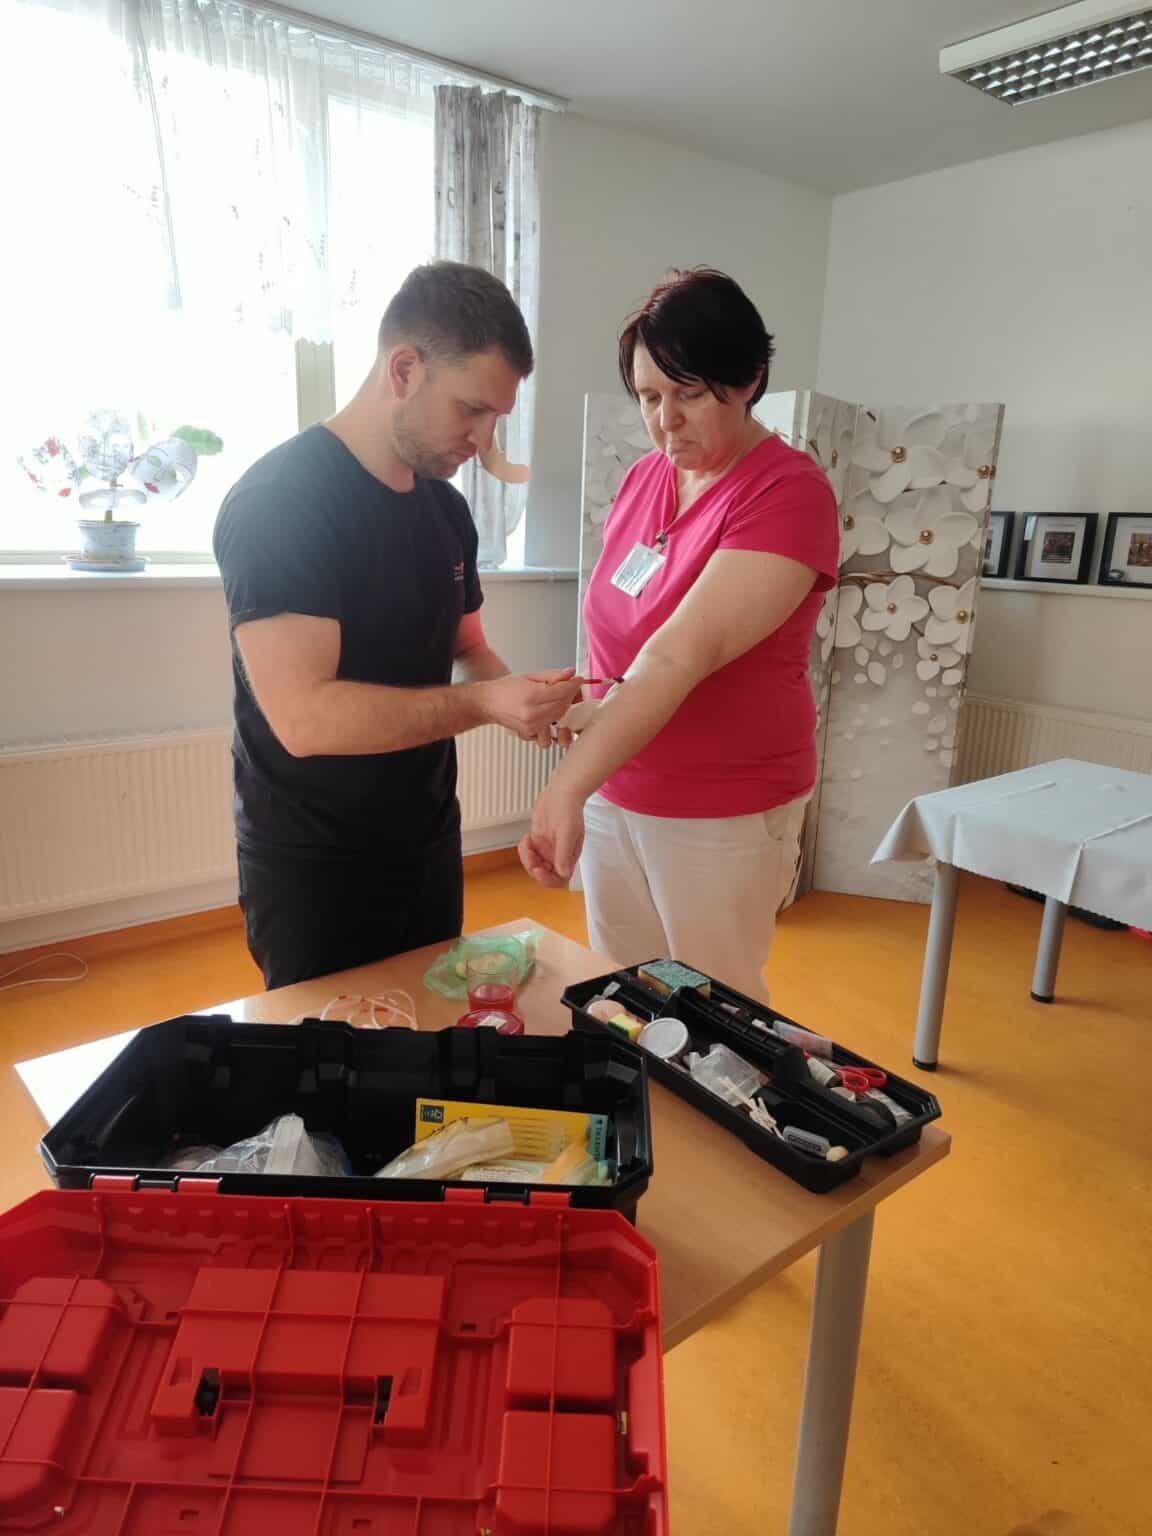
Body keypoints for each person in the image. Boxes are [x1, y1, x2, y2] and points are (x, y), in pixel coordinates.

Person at [214, 261, 582, 989]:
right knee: (331, 1045)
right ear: (405, 369)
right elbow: (305, 719)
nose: (484, 439)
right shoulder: (281, 502)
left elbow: (468, 647)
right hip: (314, 860)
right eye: (471, 409)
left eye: (497, 418)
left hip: (426, 838)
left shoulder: (446, 511)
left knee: (433, 1024)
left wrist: (526, 700)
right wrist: (485, 703)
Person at [519, 268, 839, 1000]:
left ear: (749, 379)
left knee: (714, 1004)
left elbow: (677, 653)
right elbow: (619, 630)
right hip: (618, 784)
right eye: (648, 397)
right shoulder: (644, 479)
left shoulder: (787, 493)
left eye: (689, 393)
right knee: (626, 990)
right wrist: (585, 704)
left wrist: (566, 785)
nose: (666, 420)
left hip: (721, 803)